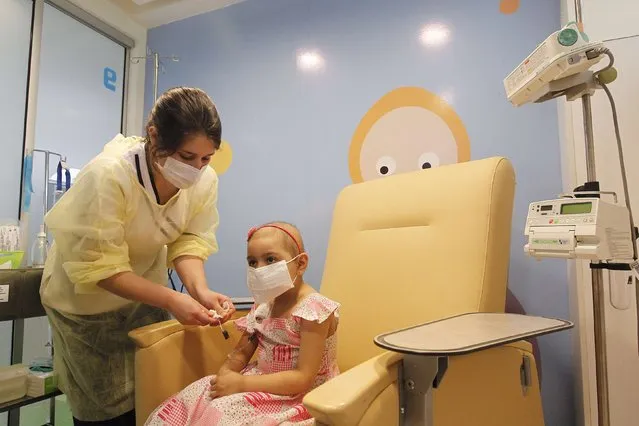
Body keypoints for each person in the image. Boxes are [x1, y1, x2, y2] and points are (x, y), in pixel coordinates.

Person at [40, 87, 237, 425]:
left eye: (207, 159)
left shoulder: (204, 182)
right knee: (106, 412)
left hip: (145, 296)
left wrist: (199, 292)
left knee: (156, 399)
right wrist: (173, 301)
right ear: (154, 136)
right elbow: (98, 267)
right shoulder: (109, 176)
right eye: (187, 157)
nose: (197, 169)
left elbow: (190, 240)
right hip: (86, 309)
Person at [145, 222, 340, 425]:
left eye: (270, 259)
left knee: (221, 414)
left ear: (300, 264)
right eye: (252, 262)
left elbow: (302, 378)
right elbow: (240, 353)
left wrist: (242, 384)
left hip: (300, 394)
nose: (259, 269)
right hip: (259, 380)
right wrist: (224, 377)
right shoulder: (263, 306)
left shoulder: (313, 311)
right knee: (196, 395)